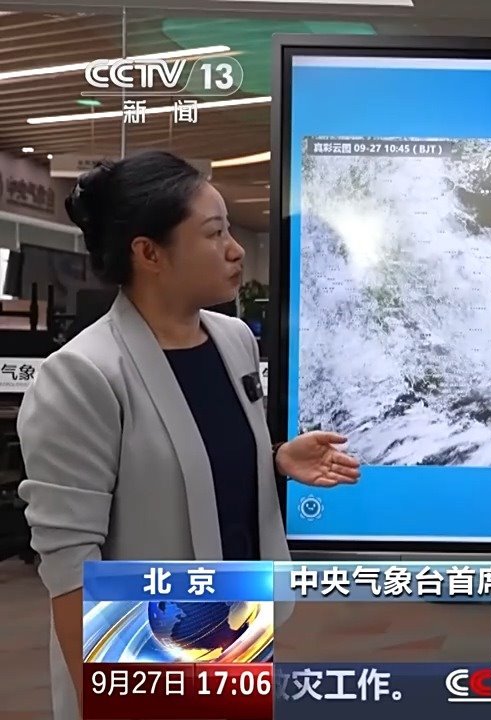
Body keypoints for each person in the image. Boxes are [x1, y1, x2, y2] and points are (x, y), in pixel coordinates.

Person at [16, 150, 360, 720]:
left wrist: (273, 458)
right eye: (214, 232)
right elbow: (70, 566)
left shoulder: (232, 340)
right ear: (149, 252)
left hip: (236, 624)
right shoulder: (83, 374)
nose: (236, 249)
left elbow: (192, 456)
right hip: (145, 645)